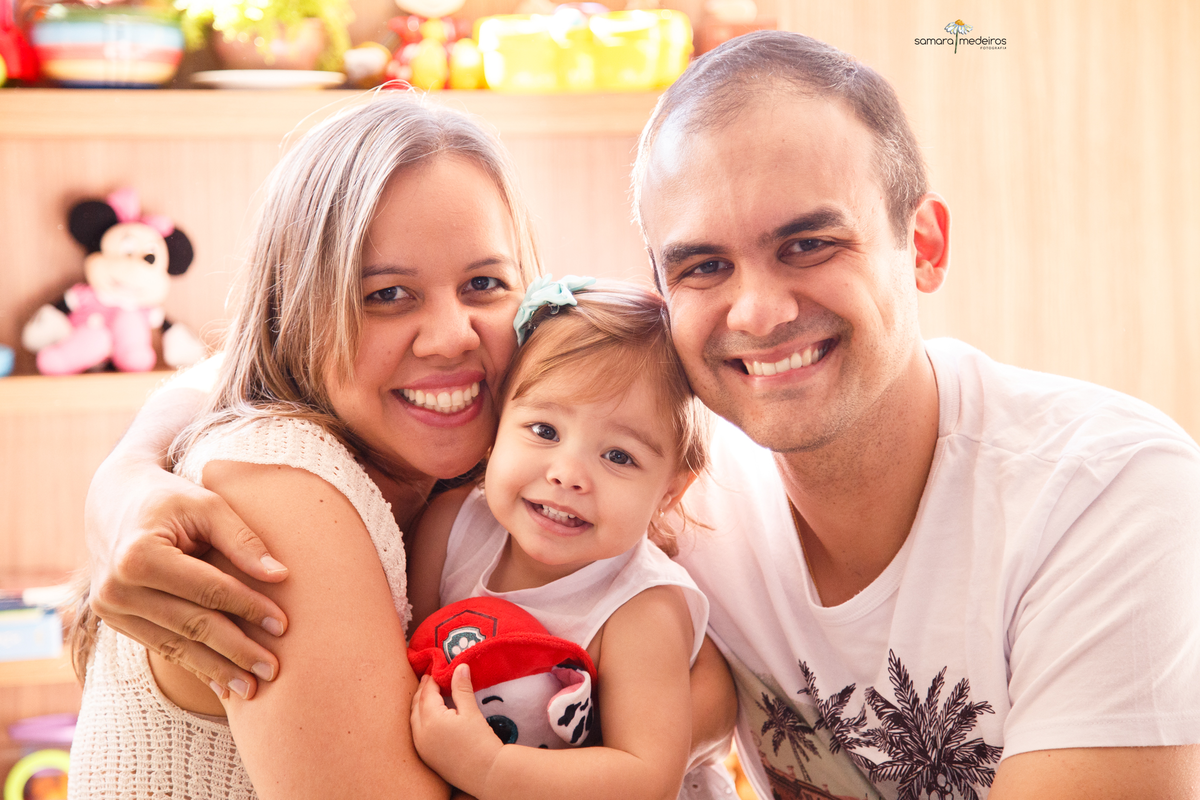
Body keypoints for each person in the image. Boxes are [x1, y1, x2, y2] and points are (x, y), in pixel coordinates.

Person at [80, 31, 1200, 800]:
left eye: (809, 240)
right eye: (704, 262)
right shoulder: (610, 482)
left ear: (926, 243)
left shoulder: (1098, 487)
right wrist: (128, 469)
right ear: (667, 294)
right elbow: (256, 389)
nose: (451, 335)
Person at [67, 94, 537, 799]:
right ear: (296, 311)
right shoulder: (284, 492)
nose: (451, 335)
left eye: (483, 284)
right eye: (386, 295)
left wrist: (129, 461)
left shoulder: (468, 479)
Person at [405, 278, 736, 800]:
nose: (568, 474)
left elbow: (645, 778)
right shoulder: (450, 528)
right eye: (543, 430)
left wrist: (491, 770)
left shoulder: (640, 608)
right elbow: (409, 657)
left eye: (618, 456)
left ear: (670, 491)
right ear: (495, 426)